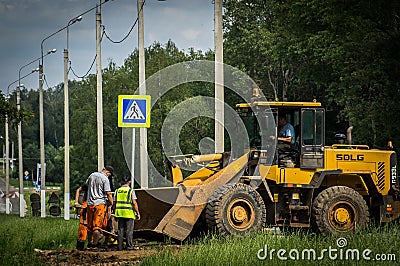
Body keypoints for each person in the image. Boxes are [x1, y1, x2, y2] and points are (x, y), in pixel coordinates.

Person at [86, 165, 114, 249]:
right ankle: (95, 244)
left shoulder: (92, 175)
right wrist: (112, 203)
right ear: (108, 172)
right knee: (97, 226)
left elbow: (87, 185)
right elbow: (108, 193)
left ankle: (89, 243)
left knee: (89, 226)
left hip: (90, 203)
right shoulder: (105, 179)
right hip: (100, 204)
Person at [113, 175, 140, 251]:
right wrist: (137, 213)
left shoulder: (117, 191)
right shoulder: (130, 191)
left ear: (122, 182)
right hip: (129, 213)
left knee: (120, 230)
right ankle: (129, 246)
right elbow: (134, 203)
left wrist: (114, 212)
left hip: (119, 213)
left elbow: (114, 203)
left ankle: (120, 247)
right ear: (129, 182)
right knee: (129, 231)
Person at [74, 183, 88, 251]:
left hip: (94, 207)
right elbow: (78, 190)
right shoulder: (88, 185)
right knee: (82, 229)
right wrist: (76, 202)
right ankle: (80, 248)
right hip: (86, 207)